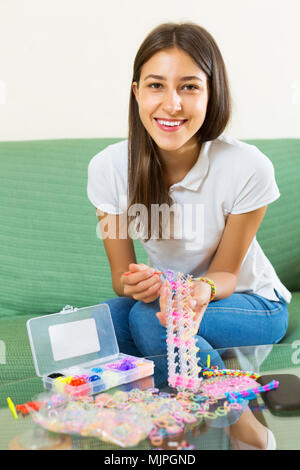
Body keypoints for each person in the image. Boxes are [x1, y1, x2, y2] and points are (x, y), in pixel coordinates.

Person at [87, 22, 291, 449]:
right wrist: (135, 282)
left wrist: (200, 291)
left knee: (149, 319)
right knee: (103, 322)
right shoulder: (107, 170)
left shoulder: (247, 167)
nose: (172, 104)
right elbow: (120, 277)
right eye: (156, 85)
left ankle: (246, 434)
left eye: (190, 87)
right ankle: (168, 423)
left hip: (251, 301)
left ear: (211, 93)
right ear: (136, 92)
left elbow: (228, 274)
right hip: (169, 298)